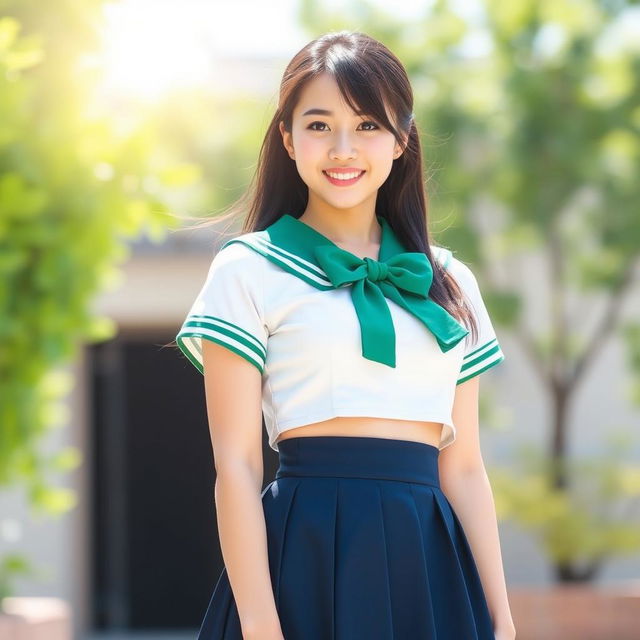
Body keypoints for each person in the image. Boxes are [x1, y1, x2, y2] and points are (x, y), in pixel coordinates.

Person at [176, 30, 516, 640]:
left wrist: (501, 618)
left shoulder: (450, 281)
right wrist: (259, 623)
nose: (342, 148)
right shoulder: (249, 268)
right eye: (318, 125)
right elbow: (237, 463)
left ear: (401, 139)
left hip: (430, 563)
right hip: (305, 556)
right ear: (286, 138)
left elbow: (463, 468)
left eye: (366, 126)